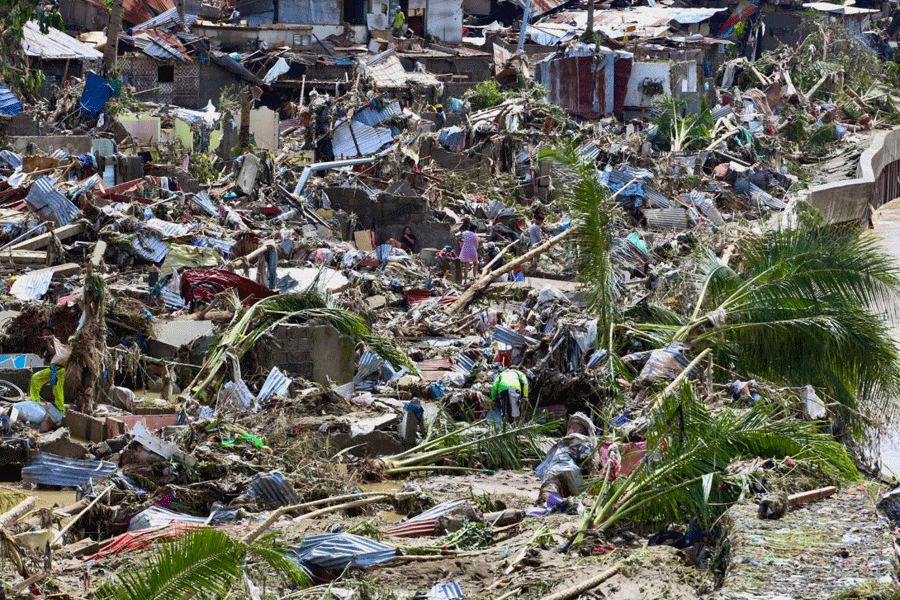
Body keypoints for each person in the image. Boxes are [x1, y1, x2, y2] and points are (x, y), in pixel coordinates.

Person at [27, 325, 68, 430]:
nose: (44, 335)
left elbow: (53, 352)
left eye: (46, 333)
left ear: (51, 333)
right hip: (53, 369)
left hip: (57, 370)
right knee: (37, 379)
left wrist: (49, 342)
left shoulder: (55, 342)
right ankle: (35, 403)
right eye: (43, 334)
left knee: (55, 388)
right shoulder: (50, 342)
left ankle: (60, 410)